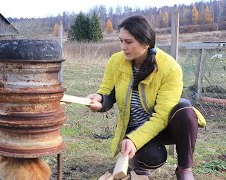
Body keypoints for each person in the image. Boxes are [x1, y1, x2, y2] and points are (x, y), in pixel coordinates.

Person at [87, 15, 206, 180]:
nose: (123, 47)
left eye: (128, 42)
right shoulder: (116, 61)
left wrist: (135, 140)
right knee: (153, 156)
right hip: (134, 127)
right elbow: (108, 93)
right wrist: (99, 99)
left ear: (146, 42)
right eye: (121, 41)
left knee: (185, 109)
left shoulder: (170, 68)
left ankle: (185, 169)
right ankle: (139, 165)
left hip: (163, 127)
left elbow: (162, 117)